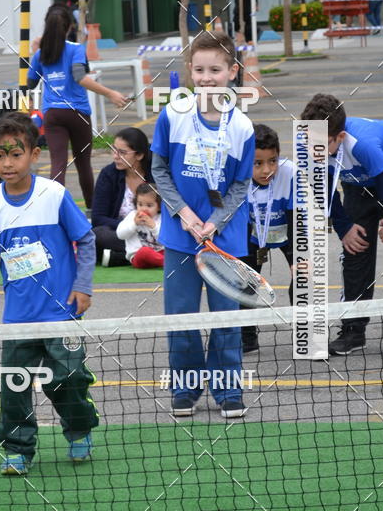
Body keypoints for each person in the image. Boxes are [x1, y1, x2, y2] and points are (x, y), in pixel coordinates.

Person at [0, 112, 99, 476]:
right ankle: (18, 449)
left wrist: (83, 286)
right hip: (18, 318)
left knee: (68, 379)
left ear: (34, 155)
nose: (7, 163)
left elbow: (85, 240)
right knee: (14, 386)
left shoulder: (53, 194)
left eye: (15, 153)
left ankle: (79, 428)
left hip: (62, 311)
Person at [151, 31, 254, 419]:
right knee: (182, 316)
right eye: (199, 70)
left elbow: (242, 185)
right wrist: (183, 213)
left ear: (231, 72)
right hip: (180, 237)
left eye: (215, 69)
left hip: (223, 241)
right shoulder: (173, 115)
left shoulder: (242, 126)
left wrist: (214, 221)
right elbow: (158, 170)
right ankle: (186, 388)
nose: (207, 77)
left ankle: (229, 391)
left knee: (226, 317)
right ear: (190, 72)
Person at [300, 94, 383, 357]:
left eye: (321, 145)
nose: (314, 151)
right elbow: (323, 190)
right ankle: (353, 330)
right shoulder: (311, 139)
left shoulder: (362, 144)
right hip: (358, 186)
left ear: (340, 137)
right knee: (355, 252)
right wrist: (344, 227)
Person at [27, 4, 127, 208]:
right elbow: (80, 76)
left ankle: (54, 211)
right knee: (83, 165)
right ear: (69, 28)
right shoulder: (76, 49)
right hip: (78, 113)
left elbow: (30, 83)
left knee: (58, 164)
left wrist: (34, 53)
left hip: (53, 114)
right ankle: (92, 208)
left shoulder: (40, 55)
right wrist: (110, 93)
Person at [241, 124, 294, 353]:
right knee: (245, 284)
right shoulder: (238, 180)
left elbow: (297, 219)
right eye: (258, 163)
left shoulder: (290, 173)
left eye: (272, 161)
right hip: (253, 237)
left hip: (288, 231)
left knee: (303, 278)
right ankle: (246, 338)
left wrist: (297, 259)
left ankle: (307, 333)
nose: (267, 170)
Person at [91, 127, 153, 266]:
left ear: (139, 155)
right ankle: (146, 254)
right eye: (114, 150)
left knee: (172, 234)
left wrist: (151, 227)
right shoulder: (108, 174)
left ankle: (121, 257)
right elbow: (98, 218)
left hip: (154, 229)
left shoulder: (155, 173)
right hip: (122, 232)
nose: (115, 156)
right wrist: (130, 226)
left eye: (122, 152)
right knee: (96, 234)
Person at [116, 183, 164, 268]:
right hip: (138, 255)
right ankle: (165, 263)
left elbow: (165, 240)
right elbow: (120, 235)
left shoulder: (161, 218)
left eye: (149, 205)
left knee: (170, 251)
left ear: (159, 206)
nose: (144, 208)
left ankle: (161, 261)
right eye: (140, 204)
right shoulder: (132, 216)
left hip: (159, 252)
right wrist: (134, 224)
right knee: (144, 252)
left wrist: (154, 227)